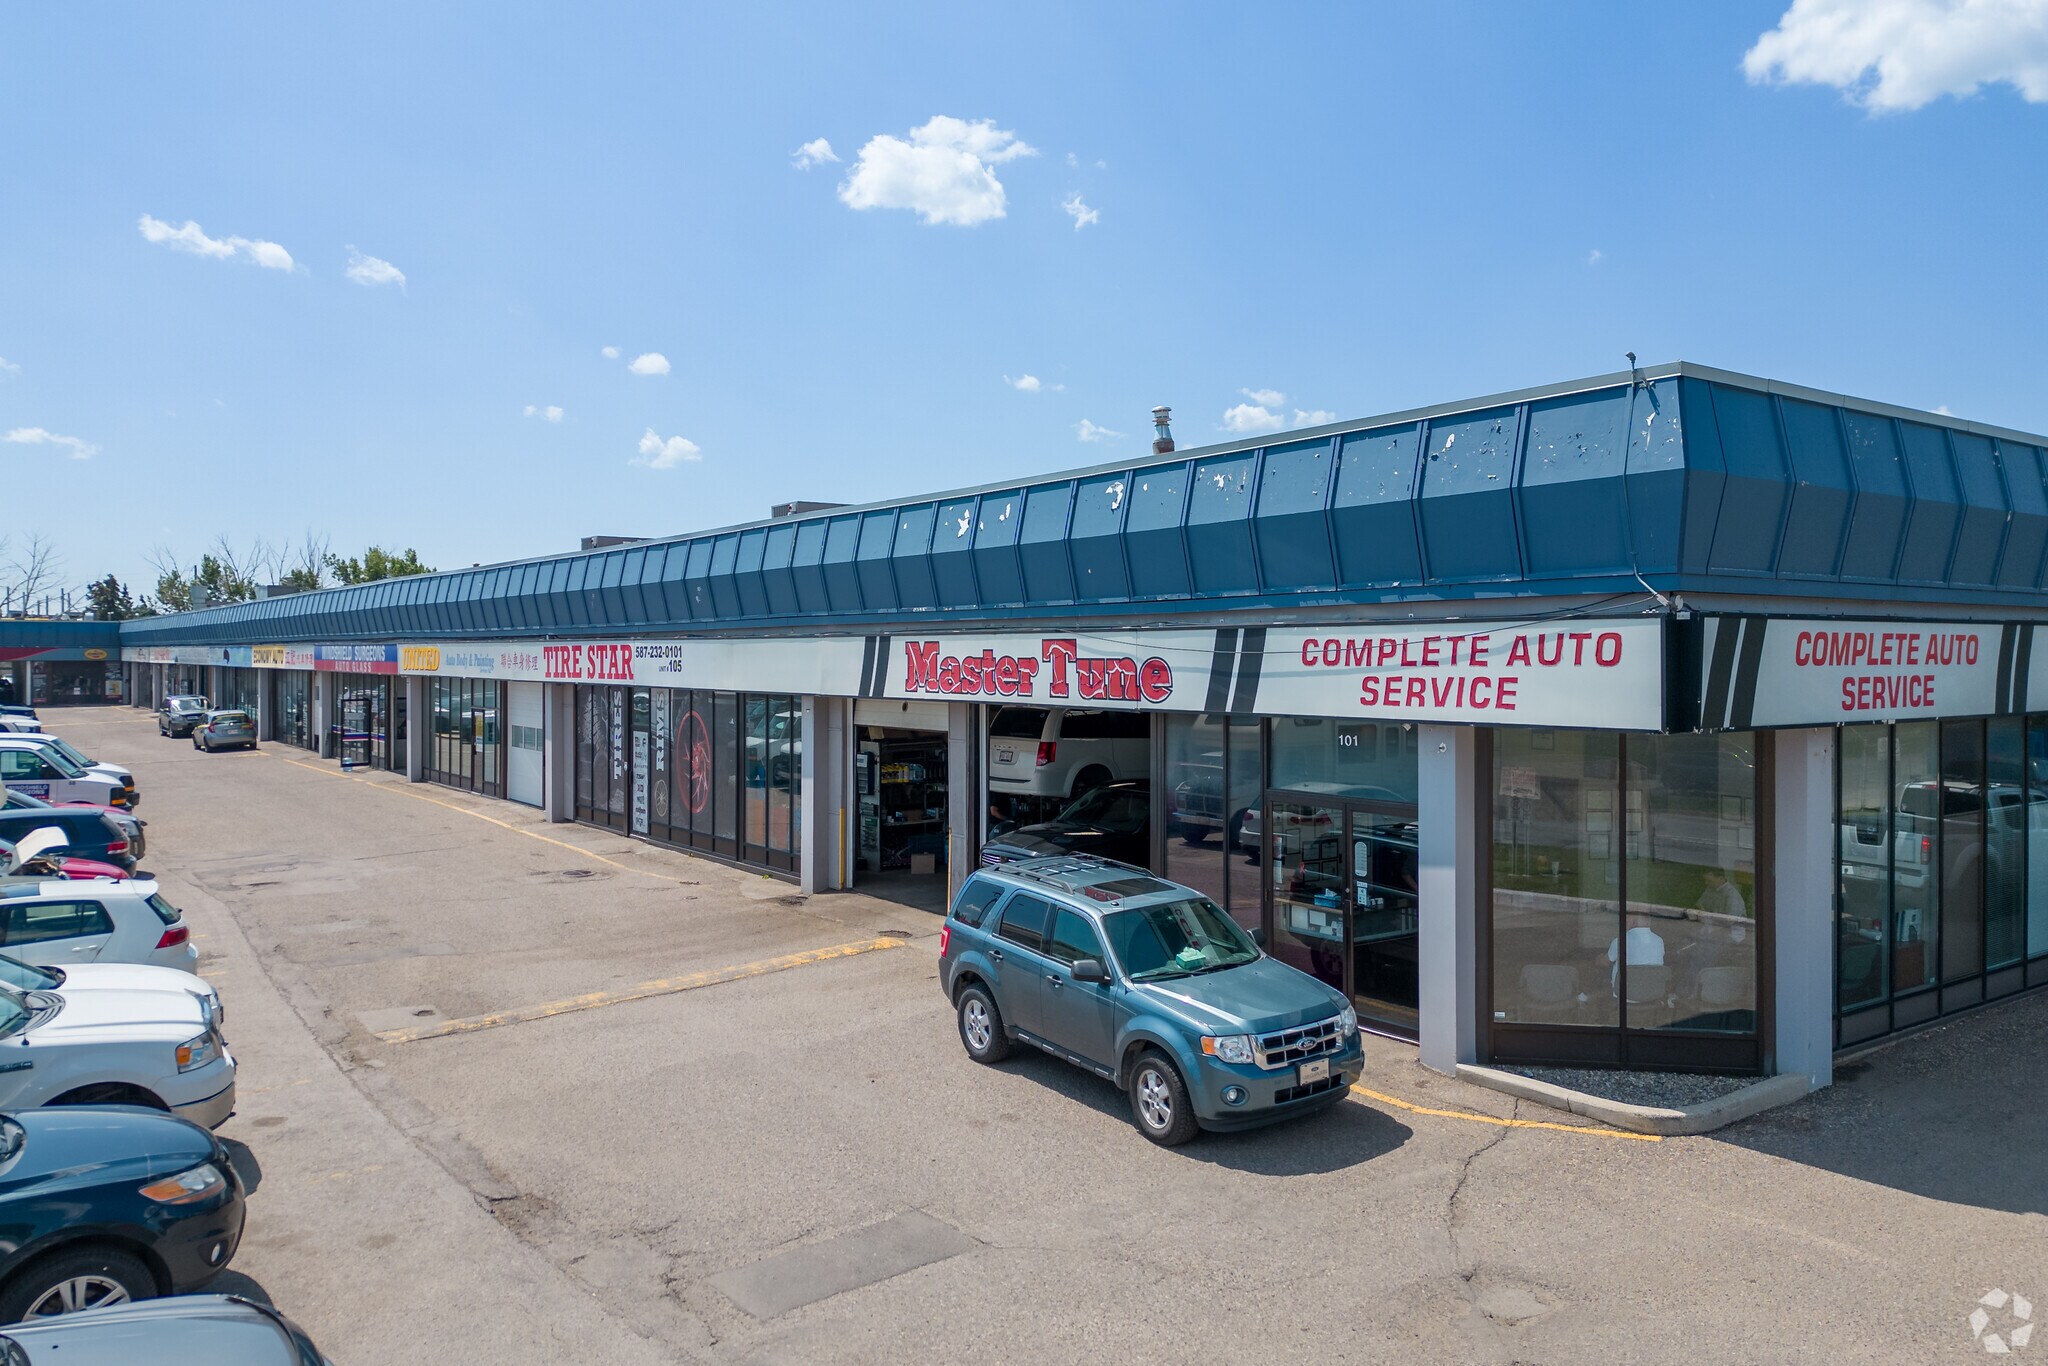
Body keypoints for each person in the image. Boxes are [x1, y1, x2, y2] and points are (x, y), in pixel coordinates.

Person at [1607, 914, 1665, 994]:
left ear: (1633, 922)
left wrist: (1596, 959)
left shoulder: (1620, 940)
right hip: (1652, 995)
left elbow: (1605, 961)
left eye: (1626, 919)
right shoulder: (1659, 941)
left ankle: (1585, 999)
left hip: (1624, 998)